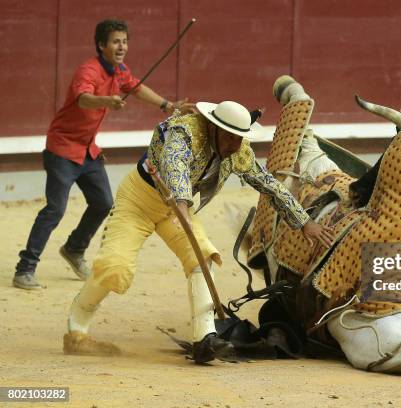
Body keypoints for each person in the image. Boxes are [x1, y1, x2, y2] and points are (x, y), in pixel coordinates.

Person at [62, 100, 335, 363]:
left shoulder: (237, 151)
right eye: (230, 137)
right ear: (214, 128)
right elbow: (174, 162)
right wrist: (181, 198)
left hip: (177, 209)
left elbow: (268, 185)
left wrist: (303, 221)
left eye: (240, 138)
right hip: (140, 200)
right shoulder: (185, 131)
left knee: (203, 258)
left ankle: (204, 339)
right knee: (114, 267)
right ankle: (77, 330)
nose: (235, 145)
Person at [13, 19, 186, 290]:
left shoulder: (120, 70)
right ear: (102, 45)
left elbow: (136, 87)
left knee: (103, 203)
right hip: (62, 149)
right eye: (116, 41)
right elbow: (83, 99)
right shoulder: (88, 70)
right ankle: (25, 269)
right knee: (55, 209)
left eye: (125, 41)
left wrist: (167, 105)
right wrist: (107, 101)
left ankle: (74, 249)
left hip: (88, 151)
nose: (122, 46)